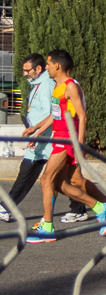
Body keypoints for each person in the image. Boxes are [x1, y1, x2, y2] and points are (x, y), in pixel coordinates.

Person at [25, 51, 106, 243]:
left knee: (46, 180)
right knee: (63, 183)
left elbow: (82, 116)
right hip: (59, 136)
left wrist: (79, 144)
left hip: (67, 139)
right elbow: (55, 115)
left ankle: (48, 227)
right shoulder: (57, 87)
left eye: (49, 64)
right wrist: (37, 129)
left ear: (57, 66)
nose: (47, 67)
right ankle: (102, 208)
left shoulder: (71, 87)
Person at [0, 54, 55, 222]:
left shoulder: (46, 85)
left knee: (27, 172)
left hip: (45, 140)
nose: (24, 74)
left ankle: (6, 208)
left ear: (38, 68)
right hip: (40, 138)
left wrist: (37, 135)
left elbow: (50, 115)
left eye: (27, 70)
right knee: (65, 180)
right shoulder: (39, 83)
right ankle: (82, 208)